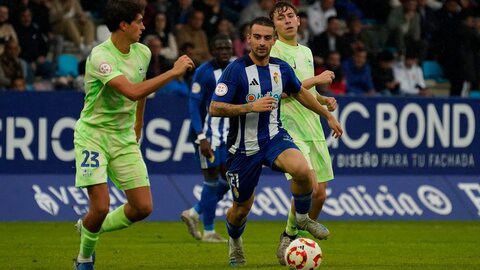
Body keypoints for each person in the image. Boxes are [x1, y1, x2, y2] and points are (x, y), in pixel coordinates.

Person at [209, 16, 343, 267]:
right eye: (257, 37)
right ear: (248, 38)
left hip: (273, 137)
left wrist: (326, 114)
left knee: (302, 170)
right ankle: (235, 240)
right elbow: (215, 108)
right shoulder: (235, 70)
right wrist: (250, 106)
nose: (262, 42)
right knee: (241, 210)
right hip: (243, 148)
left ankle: (301, 218)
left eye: (267, 37)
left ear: (273, 40)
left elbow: (300, 93)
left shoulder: (281, 68)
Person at [72, 1, 195, 269]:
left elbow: (141, 91)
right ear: (123, 25)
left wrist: (138, 124)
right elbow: (131, 91)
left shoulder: (143, 53)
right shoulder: (100, 57)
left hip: (123, 136)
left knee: (142, 207)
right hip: (93, 135)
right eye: (139, 21)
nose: (143, 26)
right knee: (101, 207)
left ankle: (89, 227)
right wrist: (173, 73)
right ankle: (84, 259)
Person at [269, 1, 340, 265]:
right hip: (289, 127)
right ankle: (289, 238)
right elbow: (285, 91)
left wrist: (323, 100)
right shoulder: (274, 52)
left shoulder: (307, 52)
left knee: (320, 195)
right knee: (308, 186)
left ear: (299, 21)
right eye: (280, 18)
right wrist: (318, 79)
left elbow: (305, 91)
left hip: (313, 126)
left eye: (290, 16)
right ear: (275, 26)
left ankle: (292, 237)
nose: (287, 20)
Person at [181, 33, 233, 243]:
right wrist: (201, 137)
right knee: (211, 181)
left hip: (228, 136)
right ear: (212, 51)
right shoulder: (203, 72)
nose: (224, 52)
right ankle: (209, 231)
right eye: (219, 48)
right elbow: (193, 106)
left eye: (227, 48)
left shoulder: (235, 68)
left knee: (230, 180)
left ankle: (194, 212)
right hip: (209, 136)